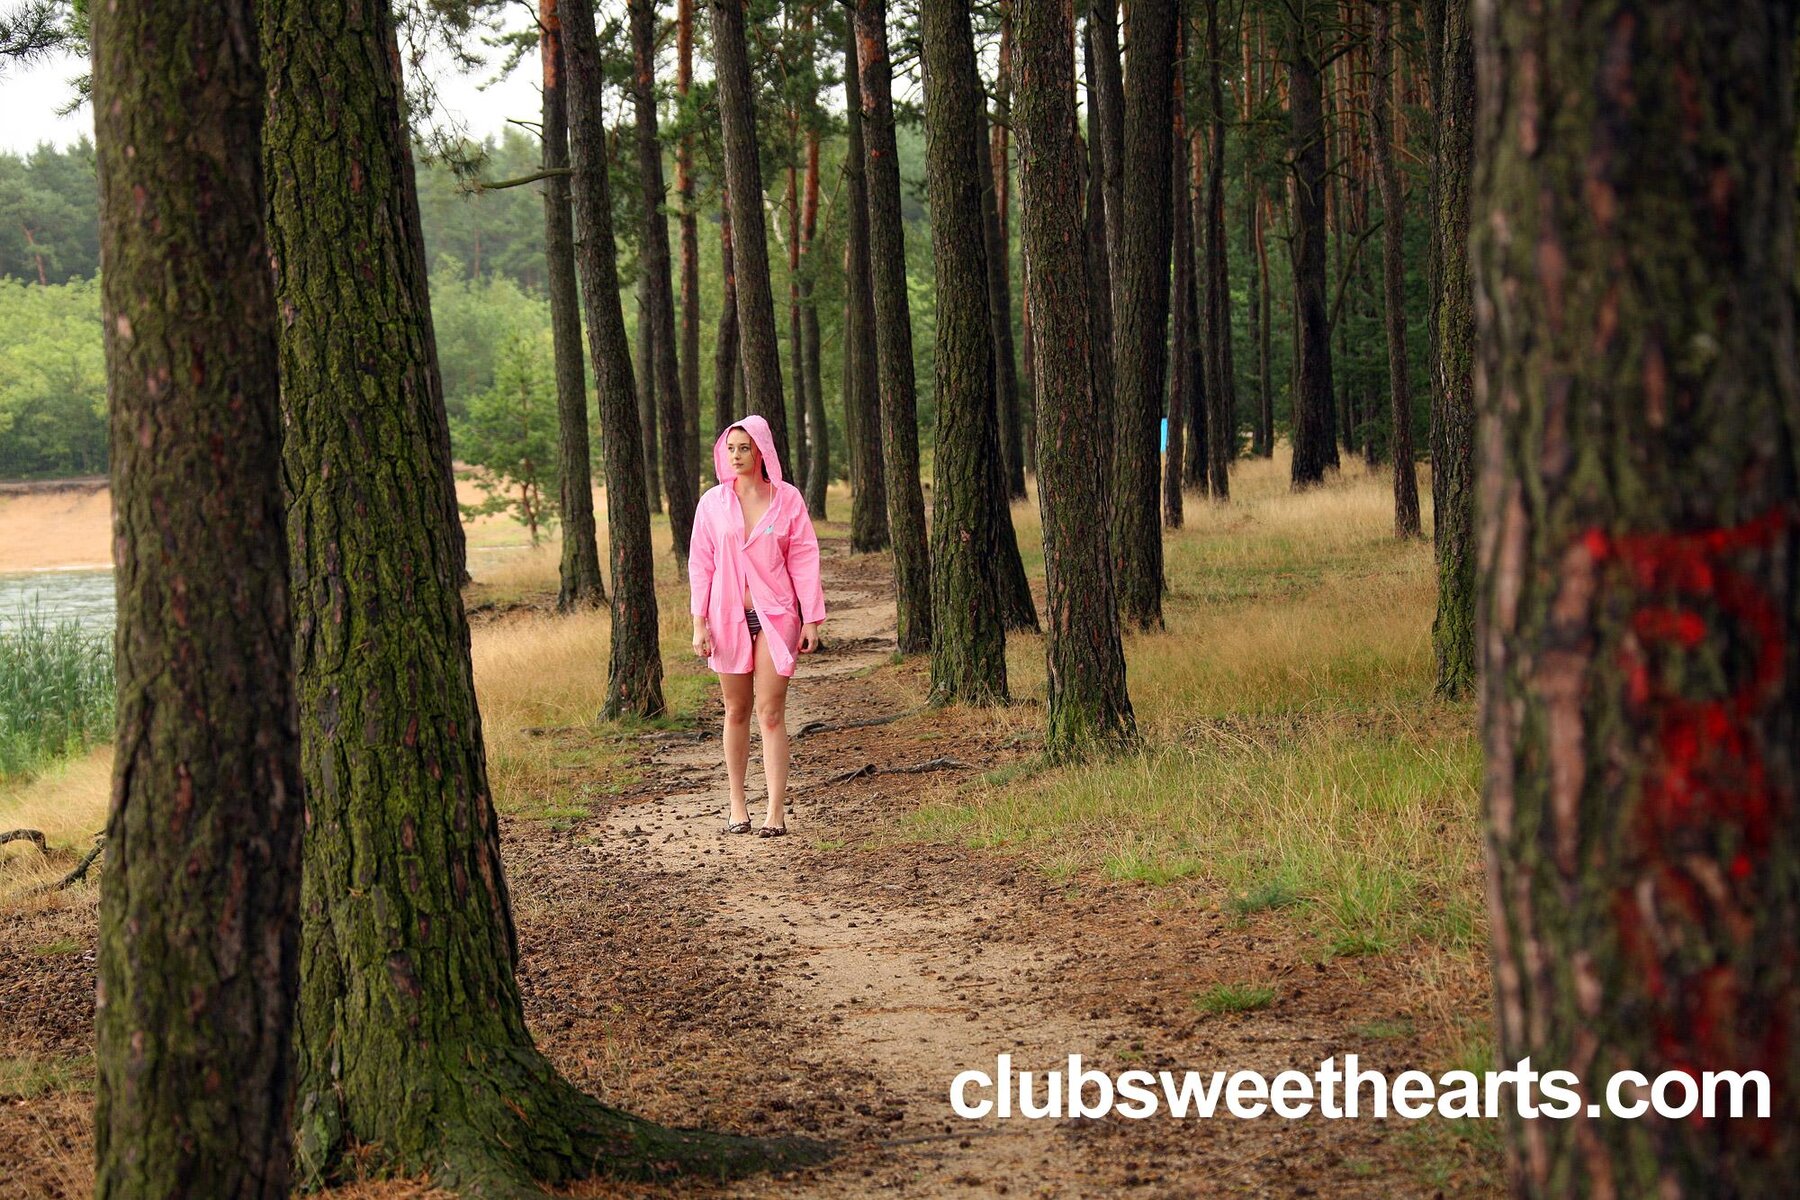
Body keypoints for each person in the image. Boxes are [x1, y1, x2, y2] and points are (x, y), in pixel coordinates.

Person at [688, 415, 826, 837]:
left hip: (776, 616)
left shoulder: (787, 499)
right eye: (730, 448)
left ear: (761, 451)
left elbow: (804, 557)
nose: (736, 456)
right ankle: (736, 804)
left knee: (770, 712)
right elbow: (701, 564)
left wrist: (811, 618)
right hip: (725, 616)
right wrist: (698, 623)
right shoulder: (713, 503)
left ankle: (774, 812)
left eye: (744, 448)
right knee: (736, 710)